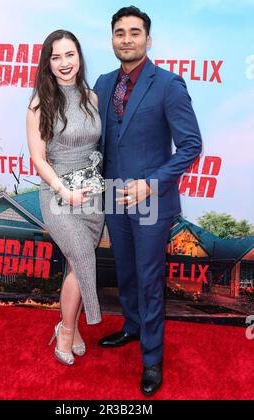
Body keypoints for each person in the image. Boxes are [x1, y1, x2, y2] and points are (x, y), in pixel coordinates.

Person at [94, 6, 202, 396]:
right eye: (120, 32)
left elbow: (191, 145)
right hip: (112, 198)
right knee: (125, 271)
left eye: (134, 32)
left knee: (149, 279)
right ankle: (132, 327)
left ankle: (152, 359)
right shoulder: (104, 84)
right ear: (112, 39)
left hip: (150, 200)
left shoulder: (169, 84)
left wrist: (151, 184)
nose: (127, 39)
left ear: (148, 40)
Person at [26, 30, 105, 366]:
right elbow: (39, 159)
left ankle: (66, 325)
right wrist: (63, 191)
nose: (63, 63)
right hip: (58, 194)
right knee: (84, 257)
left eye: (69, 55)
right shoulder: (39, 104)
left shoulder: (92, 97)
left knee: (75, 263)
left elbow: (97, 145)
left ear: (79, 57)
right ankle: (74, 328)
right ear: (48, 63)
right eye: (55, 57)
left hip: (91, 195)